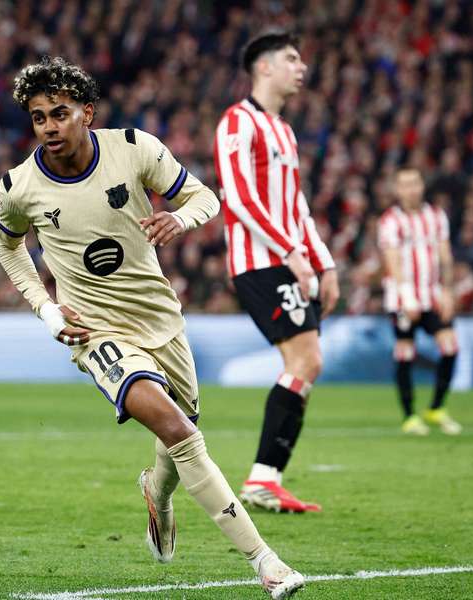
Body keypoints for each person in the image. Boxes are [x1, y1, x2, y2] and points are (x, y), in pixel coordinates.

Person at [0, 56, 304, 599]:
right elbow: (9, 248)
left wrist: (178, 218)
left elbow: (205, 196)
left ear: (86, 113)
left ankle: (156, 495)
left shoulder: (134, 148)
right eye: (39, 117)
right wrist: (46, 310)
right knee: (183, 433)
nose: (48, 127)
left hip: (161, 319)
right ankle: (266, 562)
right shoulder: (18, 187)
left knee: (179, 433)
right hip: (97, 334)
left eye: (59, 113)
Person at [214, 31, 339, 514]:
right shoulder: (236, 123)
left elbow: (297, 205)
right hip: (260, 261)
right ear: (263, 67)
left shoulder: (284, 130)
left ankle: (266, 478)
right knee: (306, 361)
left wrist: (323, 261)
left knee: (306, 364)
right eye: (291, 58)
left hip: (290, 260)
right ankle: (262, 479)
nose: (301, 66)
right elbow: (240, 198)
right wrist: (291, 251)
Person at [378, 168, 462, 436]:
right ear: (397, 189)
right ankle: (409, 415)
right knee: (405, 350)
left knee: (450, 346)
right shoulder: (390, 221)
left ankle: (436, 407)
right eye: (404, 184)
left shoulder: (436, 217)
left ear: (422, 185)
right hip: (403, 298)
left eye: (414, 183)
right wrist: (408, 297)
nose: (410, 189)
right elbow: (392, 260)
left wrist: (448, 291)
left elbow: (445, 256)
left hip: (433, 295)